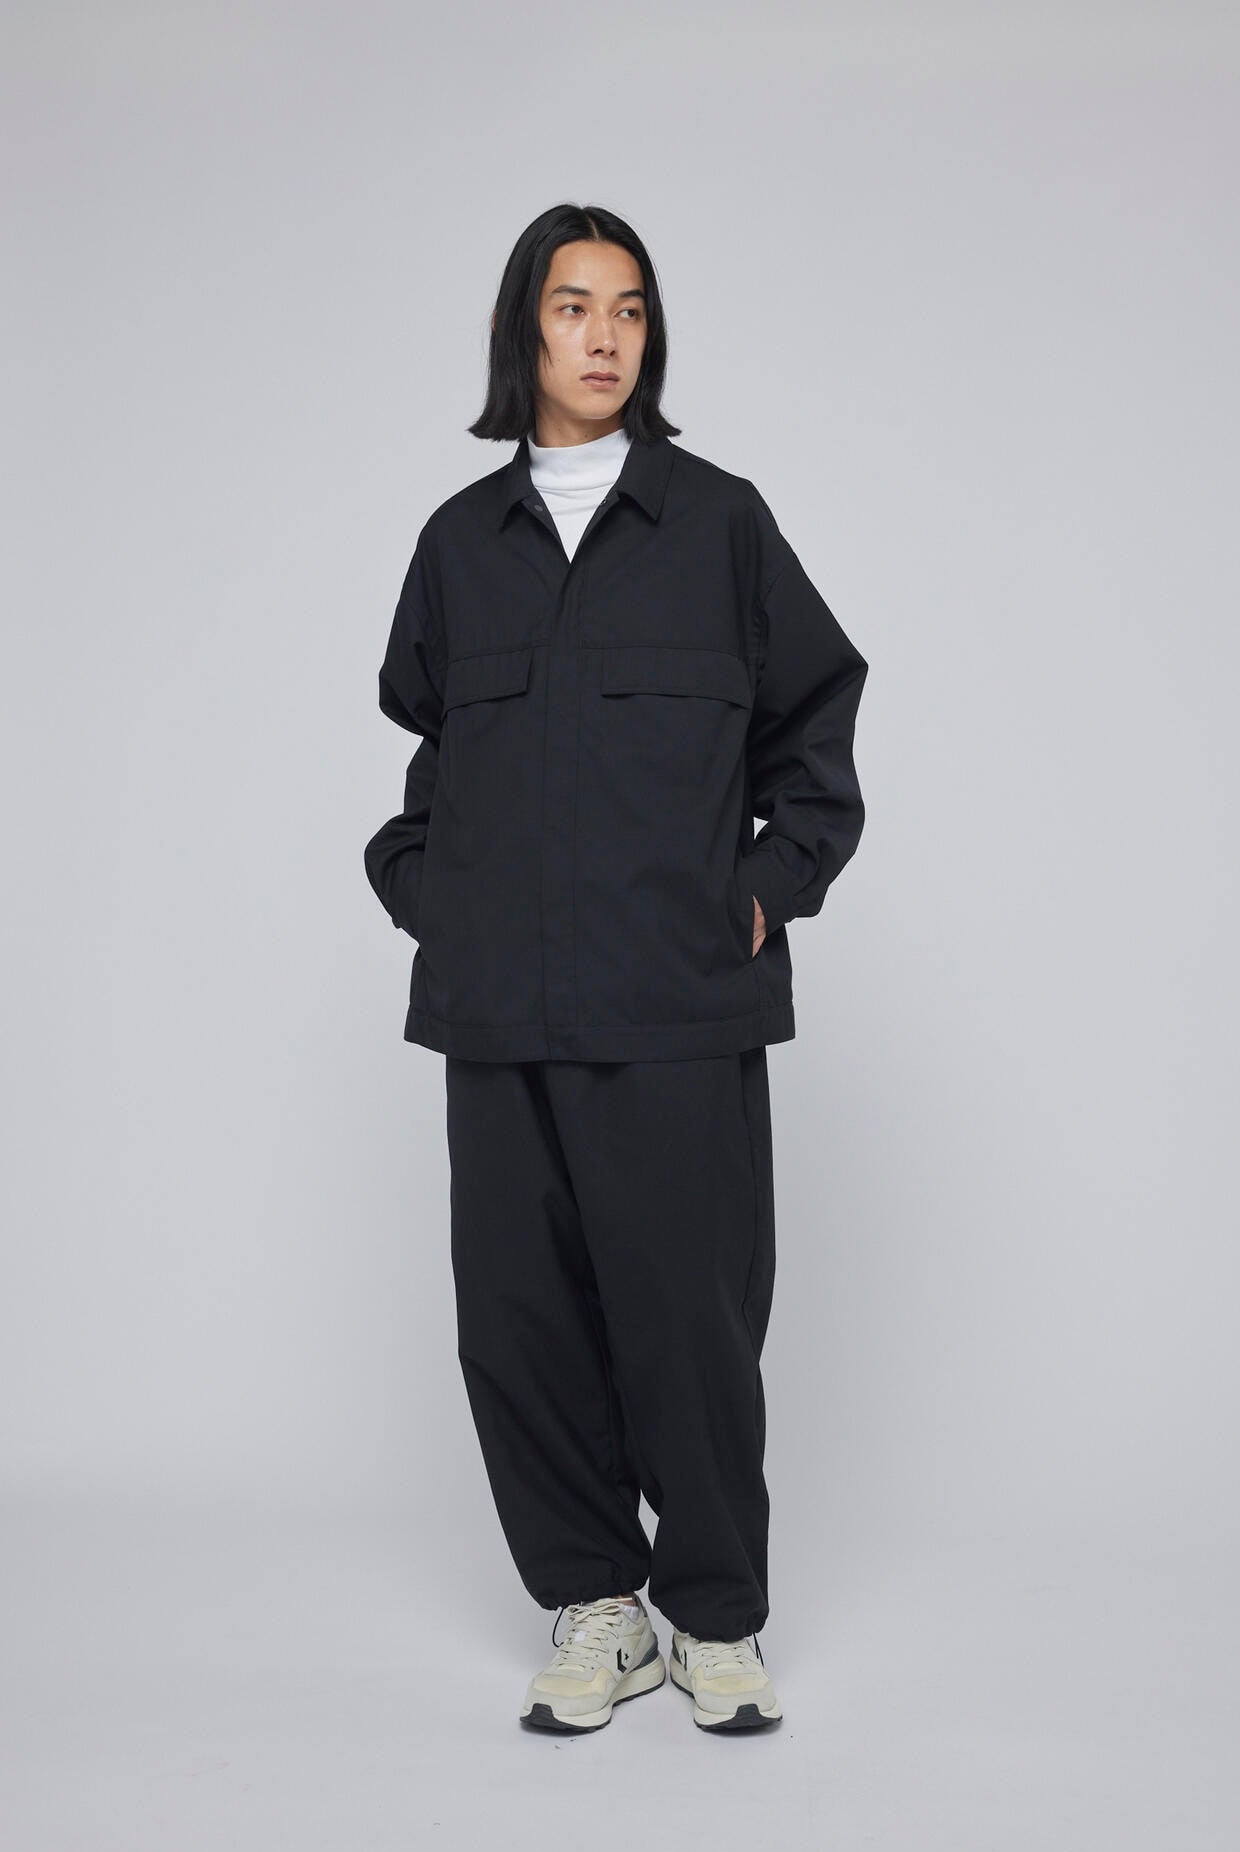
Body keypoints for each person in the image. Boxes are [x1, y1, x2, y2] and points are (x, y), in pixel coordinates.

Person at [364, 203, 869, 1735]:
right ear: (522, 330)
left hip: (676, 1000)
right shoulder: (461, 545)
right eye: (574, 306)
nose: (605, 336)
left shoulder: (719, 526)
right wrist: (429, 895)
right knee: (516, 1322)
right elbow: (433, 758)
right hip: (499, 1005)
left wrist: (767, 892)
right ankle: (596, 1607)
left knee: (688, 1317)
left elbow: (816, 728)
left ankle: (715, 1615)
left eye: (631, 309)